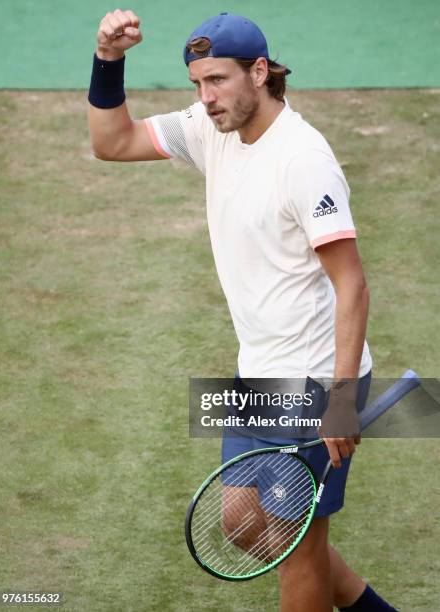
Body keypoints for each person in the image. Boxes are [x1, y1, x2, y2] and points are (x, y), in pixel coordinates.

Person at [88, 9, 397, 612]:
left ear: (260, 72)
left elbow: (352, 285)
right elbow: (111, 142)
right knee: (241, 521)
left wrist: (339, 399)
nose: (206, 98)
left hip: (310, 381)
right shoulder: (211, 131)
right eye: (198, 84)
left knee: (297, 552)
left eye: (219, 81)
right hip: (257, 369)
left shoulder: (303, 159)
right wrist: (108, 60)